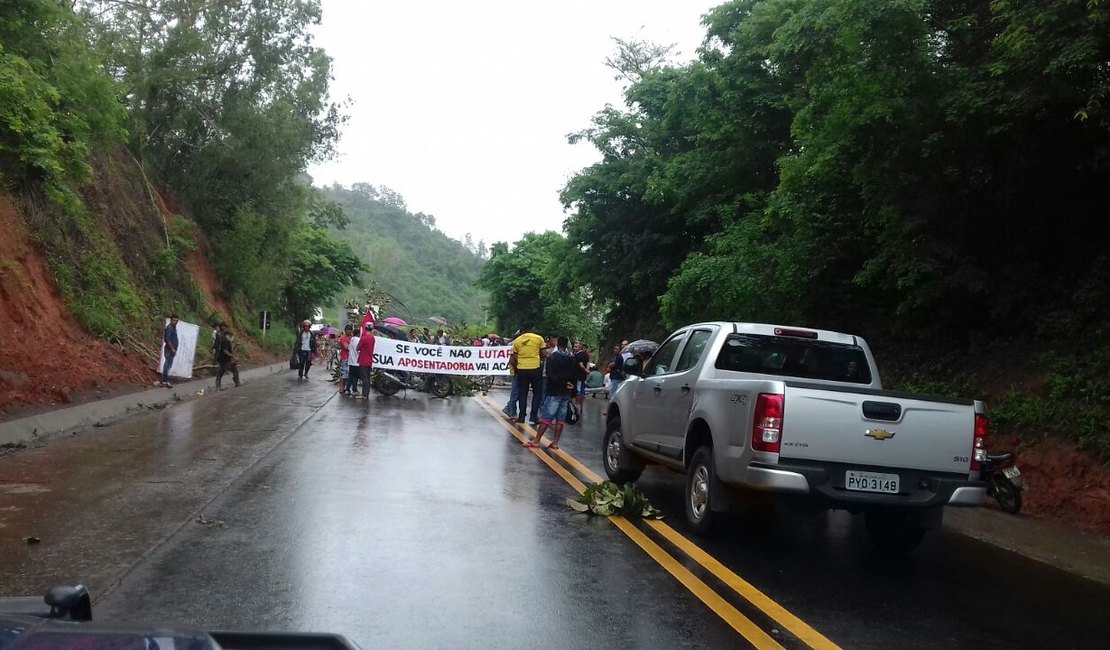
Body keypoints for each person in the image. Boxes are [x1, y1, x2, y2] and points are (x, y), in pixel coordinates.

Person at [523, 336, 576, 450]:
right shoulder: (572, 358)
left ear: (557, 343)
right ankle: (555, 442)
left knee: (546, 417)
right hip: (566, 392)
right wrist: (569, 385)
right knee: (560, 419)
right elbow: (573, 375)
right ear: (566, 345)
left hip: (554, 391)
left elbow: (550, 375)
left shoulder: (552, 357)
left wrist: (561, 383)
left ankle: (536, 440)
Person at [510, 324, 547, 425]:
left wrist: (520, 364)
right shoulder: (539, 338)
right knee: (537, 393)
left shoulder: (517, 341)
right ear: (533, 328)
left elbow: (514, 356)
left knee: (523, 393)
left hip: (522, 369)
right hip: (535, 368)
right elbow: (544, 354)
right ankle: (533, 417)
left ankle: (522, 417)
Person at [355, 325, 376, 400]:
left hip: (363, 360)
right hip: (369, 360)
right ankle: (366, 393)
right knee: (367, 377)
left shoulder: (363, 338)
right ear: (372, 329)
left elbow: (357, 348)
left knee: (364, 378)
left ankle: (364, 394)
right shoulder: (373, 338)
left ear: (365, 328)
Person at [160, 314, 180, 388]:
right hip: (169, 349)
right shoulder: (169, 328)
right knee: (167, 364)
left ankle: (163, 380)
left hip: (172, 349)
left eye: (176, 320)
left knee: (169, 365)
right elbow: (167, 340)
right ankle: (165, 381)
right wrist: (172, 349)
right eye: (174, 320)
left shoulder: (173, 328)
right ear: (171, 320)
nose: (175, 322)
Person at [573, 342, 590, 411]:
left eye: (576, 347)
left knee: (578, 392)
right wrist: (587, 369)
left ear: (580, 347)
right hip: (583, 376)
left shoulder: (578, 355)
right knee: (582, 392)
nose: (574, 348)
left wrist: (585, 370)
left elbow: (581, 364)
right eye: (574, 346)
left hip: (578, 376)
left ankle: (577, 407)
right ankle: (581, 407)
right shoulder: (585, 355)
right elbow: (588, 362)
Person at [338, 324, 352, 395]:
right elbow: (346, 347)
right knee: (343, 373)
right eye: (347, 330)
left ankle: (346, 387)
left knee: (349, 374)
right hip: (345, 357)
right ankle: (341, 387)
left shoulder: (352, 338)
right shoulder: (343, 338)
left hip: (351, 358)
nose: (348, 331)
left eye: (350, 330)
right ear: (345, 330)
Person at [347, 326, 361, 395]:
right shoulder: (358, 340)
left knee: (350, 375)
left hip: (351, 361)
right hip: (356, 361)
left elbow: (349, 348)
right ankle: (354, 390)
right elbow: (359, 350)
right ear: (358, 333)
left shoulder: (351, 339)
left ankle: (347, 389)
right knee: (355, 376)